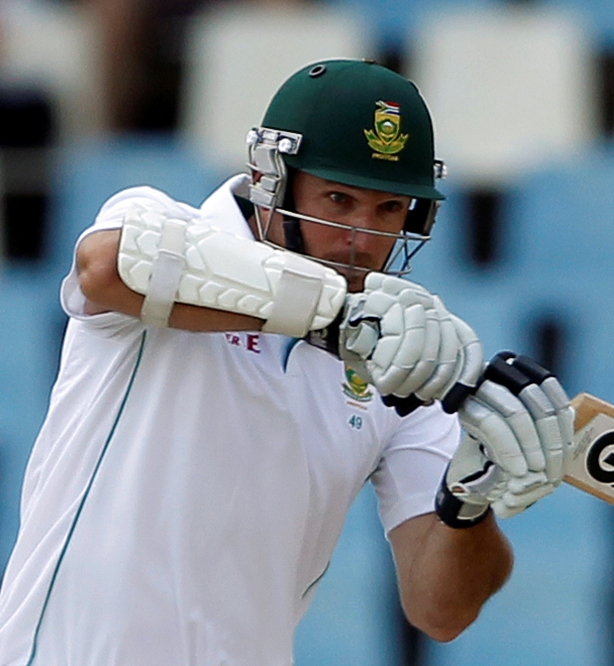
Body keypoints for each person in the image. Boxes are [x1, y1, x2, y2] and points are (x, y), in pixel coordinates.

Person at [0, 59, 575, 665]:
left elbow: (440, 611)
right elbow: (106, 267)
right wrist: (331, 317)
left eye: (388, 210)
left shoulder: (397, 367)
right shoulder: (166, 226)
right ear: (270, 178)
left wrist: (468, 501)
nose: (360, 237)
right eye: (338, 198)